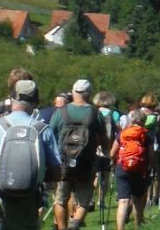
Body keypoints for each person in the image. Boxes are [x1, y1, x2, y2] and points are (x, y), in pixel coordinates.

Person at [0, 79, 64, 230]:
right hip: (27, 198)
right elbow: (57, 174)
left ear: (10, 99)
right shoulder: (43, 131)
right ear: (36, 102)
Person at [49, 79, 108, 230]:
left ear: (73, 92)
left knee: (60, 200)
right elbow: (104, 139)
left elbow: (49, 136)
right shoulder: (95, 113)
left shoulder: (60, 112)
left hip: (63, 163)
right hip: (86, 164)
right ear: (89, 94)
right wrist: (106, 155)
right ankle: (74, 226)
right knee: (83, 201)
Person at [111, 95, 157, 230]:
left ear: (132, 119)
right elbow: (150, 154)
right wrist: (153, 166)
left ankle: (120, 228)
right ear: (144, 120)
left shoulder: (123, 133)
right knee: (138, 200)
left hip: (122, 168)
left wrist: (115, 163)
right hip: (139, 169)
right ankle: (138, 225)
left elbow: (112, 153)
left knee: (123, 201)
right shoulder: (146, 134)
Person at [92, 91, 120, 213]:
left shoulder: (93, 112)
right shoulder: (111, 114)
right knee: (105, 176)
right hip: (106, 150)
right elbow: (114, 132)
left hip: (93, 149)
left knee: (95, 175)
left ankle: (90, 199)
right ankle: (101, 200)